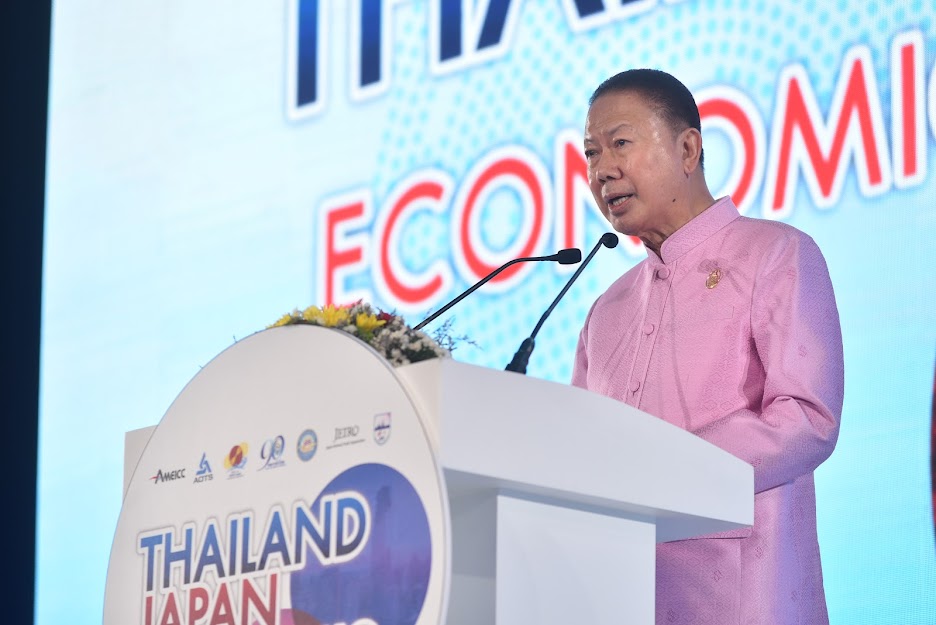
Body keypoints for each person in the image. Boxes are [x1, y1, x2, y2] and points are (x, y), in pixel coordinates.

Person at [572, 68, 844, 624]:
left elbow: (807, 418)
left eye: (620, 143)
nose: (602, 170)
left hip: (744, 599)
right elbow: (580, 458)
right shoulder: (605, 312)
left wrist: (667, 470)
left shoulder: (775, 254)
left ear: (688, 148)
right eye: (591, 153)